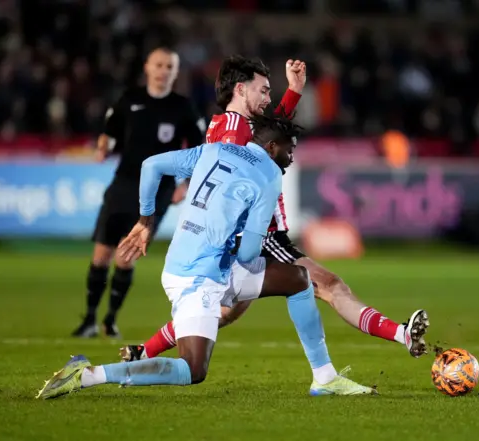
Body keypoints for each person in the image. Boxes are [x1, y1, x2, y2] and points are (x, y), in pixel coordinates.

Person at [37, 114, 376, 399]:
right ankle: (87, 375)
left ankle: (325, 378)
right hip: (197, 278)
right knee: (192, 370)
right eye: (290, 150)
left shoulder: (214, 150)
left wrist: (146, 219)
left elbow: (152, 165)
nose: (291, 158)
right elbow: (246, 253)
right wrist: (241, 243)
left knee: (298, 279)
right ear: (272, 148)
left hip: (195, 264)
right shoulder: (269, 175)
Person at [123, 55, 430, 362]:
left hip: (249, 239)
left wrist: (294, 90)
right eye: (264, 90)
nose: (269, 98)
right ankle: (397, 335)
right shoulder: (233, 129)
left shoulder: (236, 126)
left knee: (220, 311)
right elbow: (252, 159)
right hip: (262, 237)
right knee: (328, 285)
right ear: (241, 90)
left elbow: (269, 138)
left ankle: (142, 352)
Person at [71, 46, 206, 339]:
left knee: (125, 257)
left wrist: (184, 184)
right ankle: (90, 319)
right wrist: (103, 144)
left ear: (175, 72)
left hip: (158, 191)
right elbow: (110, 130)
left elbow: (199, 150)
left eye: (169, 66)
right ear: (147, 67)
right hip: (123, 184)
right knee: (101, 255)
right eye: (158, 65)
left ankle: (110, 320)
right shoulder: (130, 99)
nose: (163, 71)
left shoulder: (183, 107)